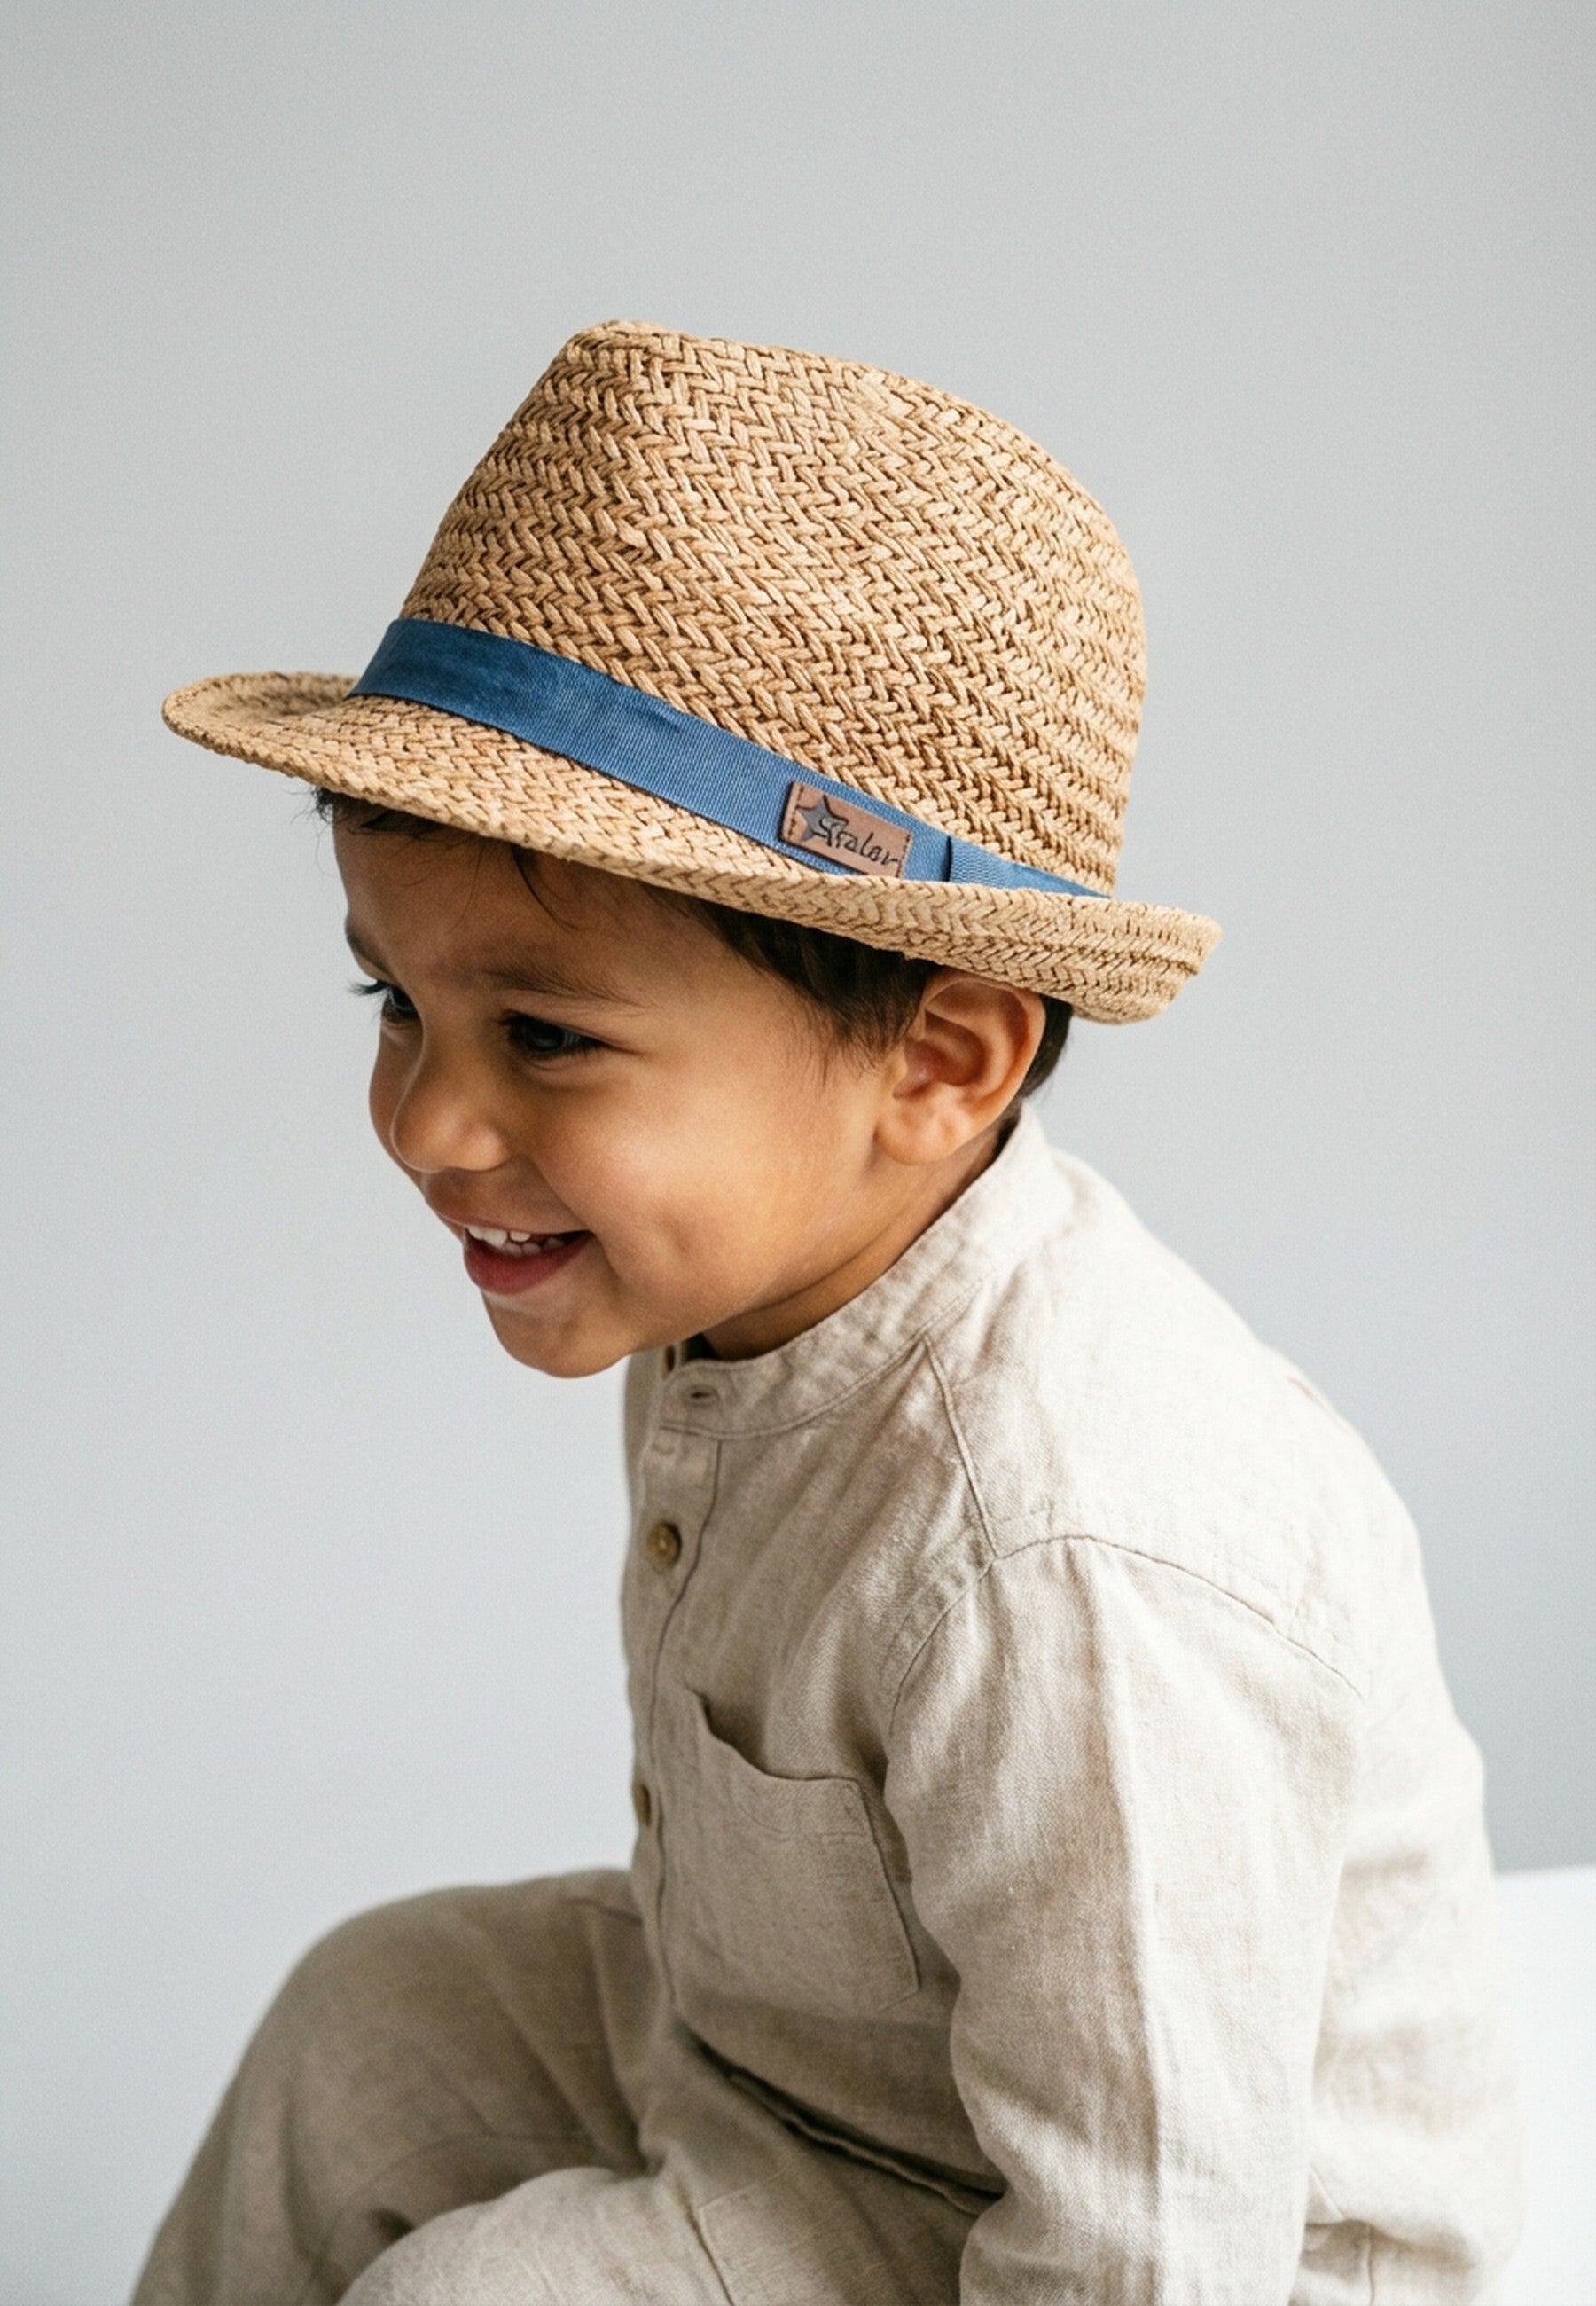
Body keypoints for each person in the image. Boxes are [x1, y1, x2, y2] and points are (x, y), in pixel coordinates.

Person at [133, 322, 1520, 2305]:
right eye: (396, 1001)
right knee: (366, 2028)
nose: (429, 1122)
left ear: (939, 1061)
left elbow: (1152, 2238)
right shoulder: (749, 1283)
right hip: (810, 2067)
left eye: (545, 1034)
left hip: (1124, 2226)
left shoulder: (1067, 1553)